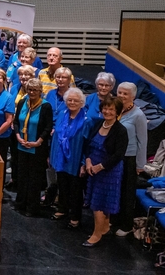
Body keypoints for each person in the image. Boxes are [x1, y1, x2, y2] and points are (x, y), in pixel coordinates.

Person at [83, 97, 128, 247]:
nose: (107, 112)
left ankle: (96, 235)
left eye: (111, 109)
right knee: (101, 201)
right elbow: (88, 145)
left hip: (108, 171)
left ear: (117, 112)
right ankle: (104, 228)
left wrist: (100, 166)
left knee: (98, 203)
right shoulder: (97, 124)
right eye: (105, 108)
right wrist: (88, 161)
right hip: (93, 168)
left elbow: (118, 155)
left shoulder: (121, 130)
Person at [12, 78, 54, 217]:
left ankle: (31, 208)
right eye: (30, 89)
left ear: (40, 91)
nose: (32, 92)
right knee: (22, 177)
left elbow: (48, 127)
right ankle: (20, 204)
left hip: (37, 147)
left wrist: (38, 142)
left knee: (34, 179)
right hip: (22, 145)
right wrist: (18, 136)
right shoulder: (23, 102)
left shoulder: (46, 106)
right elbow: (16, 122)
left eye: (35, 90)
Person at [49, 88, 91, 228]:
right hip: (61, 158)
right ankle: (62, 209)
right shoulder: (62, 113)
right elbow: (57, 136)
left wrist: (83, 163)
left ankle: (75, 216)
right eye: (69, 100)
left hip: (76, 160)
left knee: (75, 190)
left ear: (82, 102)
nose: (72, 102)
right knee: (62, 185)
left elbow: (87, 144)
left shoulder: (86, 120)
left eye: (75, 100)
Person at [113, 82, 148, 237]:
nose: (121, 96)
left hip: (129, 158)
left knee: (127, 193)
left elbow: (143, 141)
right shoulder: (115, 109)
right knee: (115, 190)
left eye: (125, 93)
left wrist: (140, 164)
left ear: (133, 96)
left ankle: (126, 225)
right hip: (115, 157)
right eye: (119, 92)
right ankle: (114, 219)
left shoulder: (138, 115)